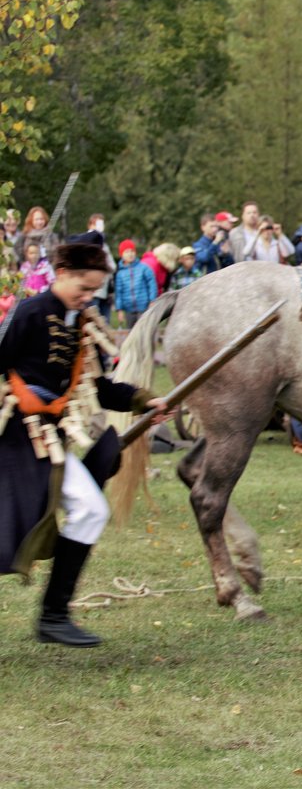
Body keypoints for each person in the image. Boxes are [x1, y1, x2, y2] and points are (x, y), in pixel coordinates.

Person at [0, 235, 170, 646]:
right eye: (84, 288)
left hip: (50, 442)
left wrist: (144, 400)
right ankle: (52, 617)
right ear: (61, 275)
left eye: (94, 289)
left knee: (91, 509)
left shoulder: (82, 324)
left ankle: (53, 616)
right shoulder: (30, 312)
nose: (88, 297)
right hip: (17, 443)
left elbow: (96, 385)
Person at [113, 239, 157, 329]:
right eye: (127, 252)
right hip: (129, 309)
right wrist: (119, 309)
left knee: (144, 330)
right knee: (131, 332)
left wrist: (152, 300)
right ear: (121, 255)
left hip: (144, 307)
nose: (130, 254)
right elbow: (119, 292)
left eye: (132, 251)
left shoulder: (144, 268)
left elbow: (152, 283)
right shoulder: (120, 274)